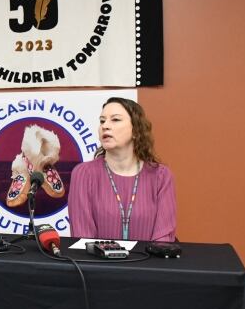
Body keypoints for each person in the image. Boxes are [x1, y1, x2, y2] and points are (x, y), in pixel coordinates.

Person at [68, 97, 176, 241]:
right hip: (97, 263)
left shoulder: (160, 176)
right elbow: (83, 239)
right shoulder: (83, 174)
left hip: (148, 263)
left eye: (115, 120)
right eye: (102, 121)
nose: (105, 126)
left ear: (136, 130)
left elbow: (163, 239)